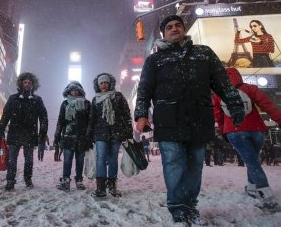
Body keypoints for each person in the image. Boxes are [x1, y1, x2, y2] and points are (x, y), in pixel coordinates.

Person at [134, 15, 245, 224]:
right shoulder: (154, 59)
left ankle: (190, 205)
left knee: (195, 165)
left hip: (199, 118)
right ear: (163, 33)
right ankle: (177, 207)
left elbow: (222, 82)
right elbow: (144, 89)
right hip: (168, 119)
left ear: (184, 29)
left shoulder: (203, 54)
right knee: (174, 163)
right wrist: (141, 114)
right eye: (169, 27)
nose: (174, 29)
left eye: (178, 25)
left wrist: (235, 104)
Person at [213, 67, 281, 211]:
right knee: (253, 160)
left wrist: (222, 130)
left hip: (234, 131)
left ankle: (267, 196)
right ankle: (251, 189)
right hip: (257, 129)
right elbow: (267, 105)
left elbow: (218, 114)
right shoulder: (250, 88)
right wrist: (279, 119)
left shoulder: (219, 94)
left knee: (251, 161)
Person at [0, 72, 48, 191]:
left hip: (30, 134)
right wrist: (0, 128)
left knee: (29, 159)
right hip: (14, 132)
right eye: (25, 82)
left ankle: (28, 179)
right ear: (21, 83)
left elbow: (43, 117)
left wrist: (43, 133)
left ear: (33, 84)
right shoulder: (13, 98)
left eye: (29, 82)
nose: (27, 84)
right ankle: (10, 180)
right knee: (12, 159)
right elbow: (6, 115)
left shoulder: (37, 100)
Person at [87, 73, 133, 198]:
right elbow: (92, 118)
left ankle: (112, 186)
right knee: (101, 159)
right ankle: (100, 188)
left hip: (116, 132)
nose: (103, 85)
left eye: (106, 82)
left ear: (110, 83)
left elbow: (126, 114)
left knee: (113, 160)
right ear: (98, 85)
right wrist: (89, 135)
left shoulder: (118, 96)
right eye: (101, 83)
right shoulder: (95, 99)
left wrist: (128, 131)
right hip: (100, 133)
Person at [54, 81, 91, 191]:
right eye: (72, 90)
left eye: (76, 90)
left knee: (80, 161)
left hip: (82, 137)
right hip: (68, 137)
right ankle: (66, 180)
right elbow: (60, 121)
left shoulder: (86, 104)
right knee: (67, 160)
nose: (74, 92)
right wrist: (57, 136)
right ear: (69, 91)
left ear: (80, 91)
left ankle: (79, 180)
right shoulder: (65, 104)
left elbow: (90, 121)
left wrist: (89, 136)